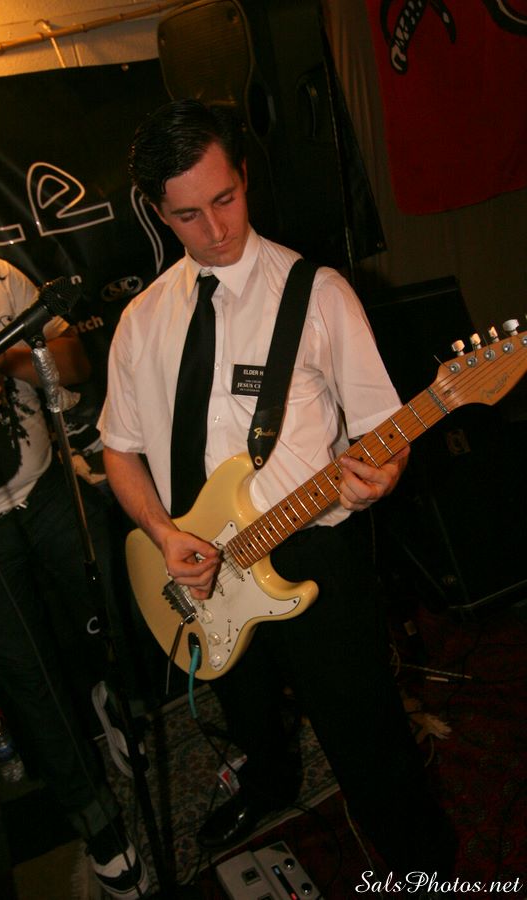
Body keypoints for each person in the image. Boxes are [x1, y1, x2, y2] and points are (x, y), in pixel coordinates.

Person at [98, 99, 457, 881]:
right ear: (157, 211)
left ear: (244, 176)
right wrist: (164, 535)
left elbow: (382, 429)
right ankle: (269, 780)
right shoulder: (139, 322)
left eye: (225, 199)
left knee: (368, 735)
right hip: (197, 567)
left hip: (313, 550)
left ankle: (422, 867)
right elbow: (119, 450)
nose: (215, 229)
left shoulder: (318, 293)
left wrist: (381, 474)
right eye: (188, 215)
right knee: (247, 710)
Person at [0, 254, 148, 899]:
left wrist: (2, 357)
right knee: (28, 678)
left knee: (118, 602)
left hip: (49, 491)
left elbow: (74, 363)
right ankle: (99, 826)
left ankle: (115, 699)